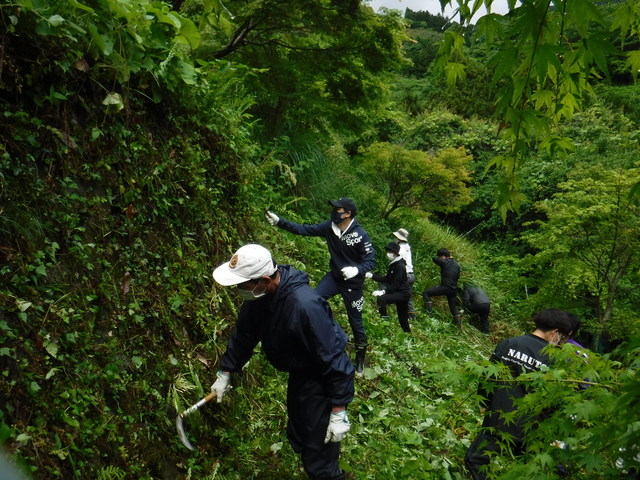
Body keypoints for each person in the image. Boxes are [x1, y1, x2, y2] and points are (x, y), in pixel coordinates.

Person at [211, 244, 355, 480]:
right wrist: (226, 371)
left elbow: (333, 358)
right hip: (300, 372)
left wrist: (338, 410)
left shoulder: (304, 306)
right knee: (300, 431)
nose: (238, 289)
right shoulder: (260, 297)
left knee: (318, 450)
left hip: (321, 377)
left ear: (265, 280)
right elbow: (245, 334)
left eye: (241, 284)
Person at [464, 309, 577, 480]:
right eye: (560, 336)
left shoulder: (510, 343)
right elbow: (555, 400)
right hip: (531, 429)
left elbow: (488, 378)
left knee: (476, 460)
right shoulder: (557, 360)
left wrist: (485, 404)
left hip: (499, 419)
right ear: (555, 332)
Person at [266, 198, 375, 374]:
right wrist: (280, 222)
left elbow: (370, 262)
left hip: (353, 285)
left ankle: (360, 359)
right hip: (334, 278)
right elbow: (304, 229)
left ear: (347, 213)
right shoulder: (329, 227)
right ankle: (316, 341)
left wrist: (357, 269)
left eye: (338, 209)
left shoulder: (361, 235)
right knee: (313, 302)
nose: (333, 212)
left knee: (356, 322)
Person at [365, 242, 412, 333]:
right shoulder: (394, 264)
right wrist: (372, 276)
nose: (388, 254)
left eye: (389, 252)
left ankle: (384, 322)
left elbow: (396, 284)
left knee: (382, 299)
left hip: (403, 294)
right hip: (399, 292)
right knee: (402, 317)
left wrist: (383, 292)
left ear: (395, 253)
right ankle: (407, 333)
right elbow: (387, 279)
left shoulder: (400, 266)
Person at [422, 248, 462, 327]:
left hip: (445, 287)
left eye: (440, 256)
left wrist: (442, 259)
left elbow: (434, 259)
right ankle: (459, 326)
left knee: (426, 293)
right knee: (453, 308)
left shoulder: (444, 262)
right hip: (454, 289)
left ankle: (428, 315)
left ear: (443, 256)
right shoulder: (457, 264)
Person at [392, 228, 416, 320]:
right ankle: (411, 316)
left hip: (404, 275)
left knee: (384, 283)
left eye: (396, 237)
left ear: (399, 238)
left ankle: (383, 306)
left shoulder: (400, 249)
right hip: (411, 275)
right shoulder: (407, 247)